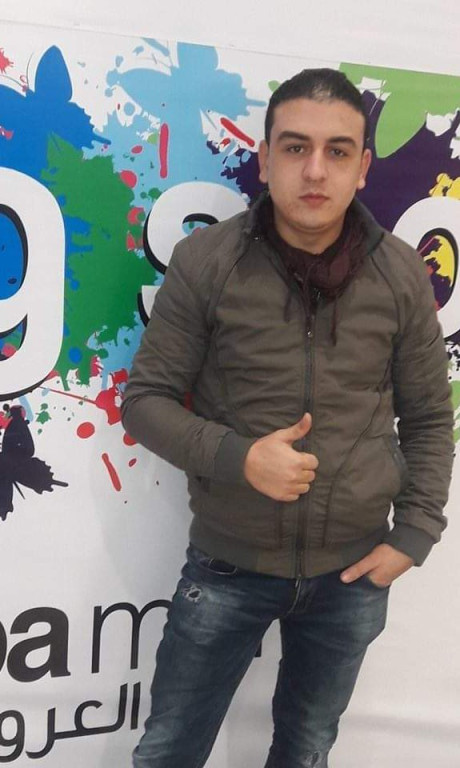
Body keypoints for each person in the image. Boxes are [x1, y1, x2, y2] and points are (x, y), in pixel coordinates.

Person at [121, 68, 453, 768]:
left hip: (352, 576)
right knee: (167, 752)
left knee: (305, 751)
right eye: (296, 147)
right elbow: (146, 401)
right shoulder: (206, 262)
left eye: (338, 151)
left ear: (363, 168)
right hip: (227, 566)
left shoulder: (400, 275)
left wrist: (416, 533)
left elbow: (429, 416)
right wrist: (240, 458)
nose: (315, 170)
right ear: (266, 158)